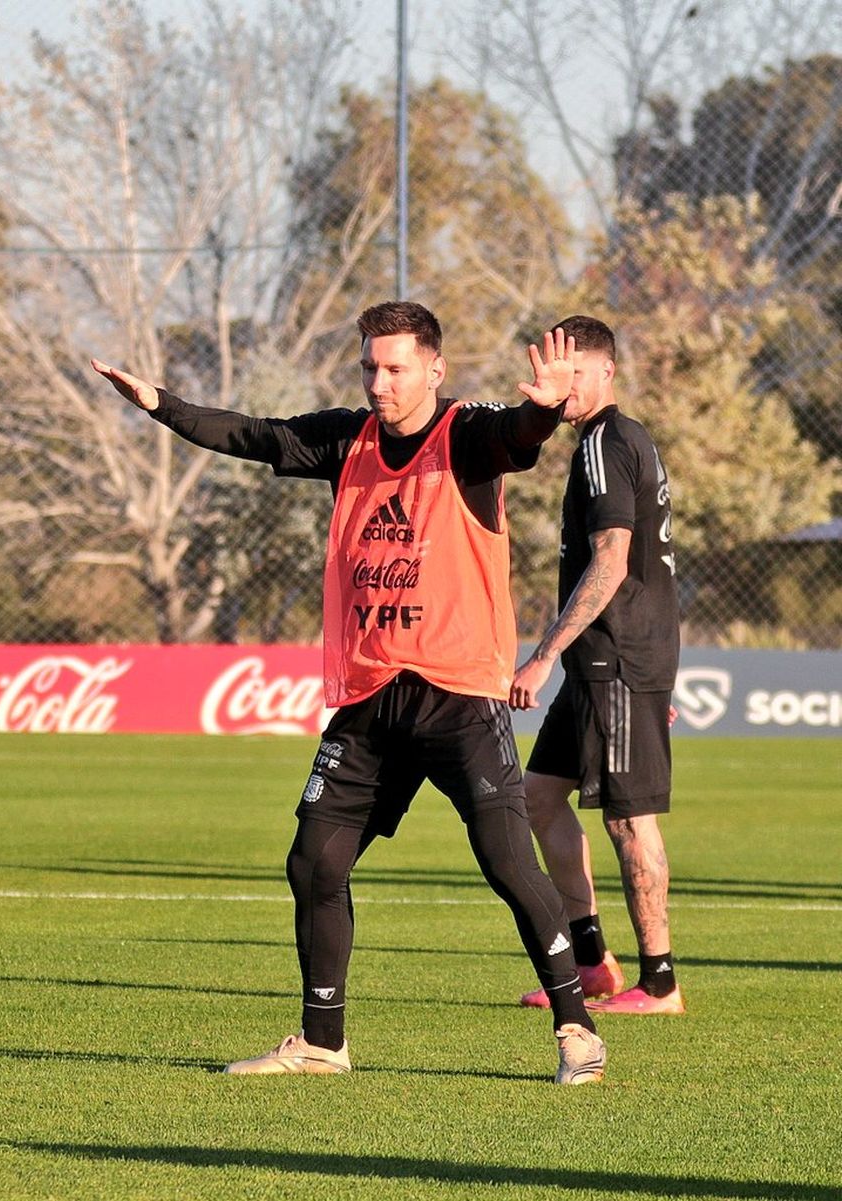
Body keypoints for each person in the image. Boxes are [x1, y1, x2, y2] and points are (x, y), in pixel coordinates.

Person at [94, 300, 607, 1084]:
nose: (379, 381)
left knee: (508, 860)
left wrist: (541, 410)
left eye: (396, 367)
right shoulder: (347, 438)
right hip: (371, 696)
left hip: (458, 694)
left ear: (434, 368)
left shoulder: (467, 435)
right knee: (314, 862)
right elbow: (256, 435)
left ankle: (577, 1030)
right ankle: (322, 1041)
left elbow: (518, 437)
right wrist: (161, 403)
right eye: (370, 366)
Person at [510, 313, 684, 1016]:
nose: (564, 386)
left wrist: (543, 655)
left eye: (575, 373)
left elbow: (613, 561)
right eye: (556, 373)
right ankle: (592, 963)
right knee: (539, 796)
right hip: (607, 665)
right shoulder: (609, 440)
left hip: (615, 660)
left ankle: (660, 983)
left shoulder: (607, 442)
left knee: (628, 820)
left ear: (607, 371)